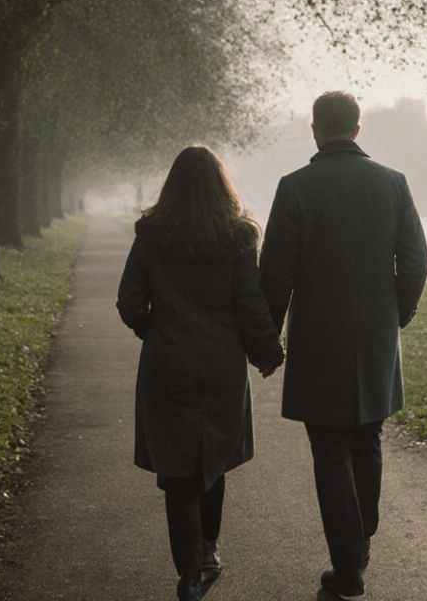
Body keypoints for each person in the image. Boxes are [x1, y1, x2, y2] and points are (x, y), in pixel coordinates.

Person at [259, 91, 427, 599]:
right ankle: (361, 543)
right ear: (357, 130)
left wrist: (267, 343)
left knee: (330, 448)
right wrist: (396, 315)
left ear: (315, 130)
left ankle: (349, 563)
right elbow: (416, 262)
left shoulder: (294, 188)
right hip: (374, 339)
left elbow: (275, 277)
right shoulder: (393, 184)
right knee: (367, 439)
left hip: (318, 343)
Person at [116, 145, 284, 601]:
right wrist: (268, 353)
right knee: (214, 457)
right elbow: (250, 304)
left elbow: (129, 302)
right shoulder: (238, 236)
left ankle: (189, 573)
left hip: (167, 363)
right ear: (220, 184)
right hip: (220, 363)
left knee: (177, 471)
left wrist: (157, 331)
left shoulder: (152, 234)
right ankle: (208, 550)